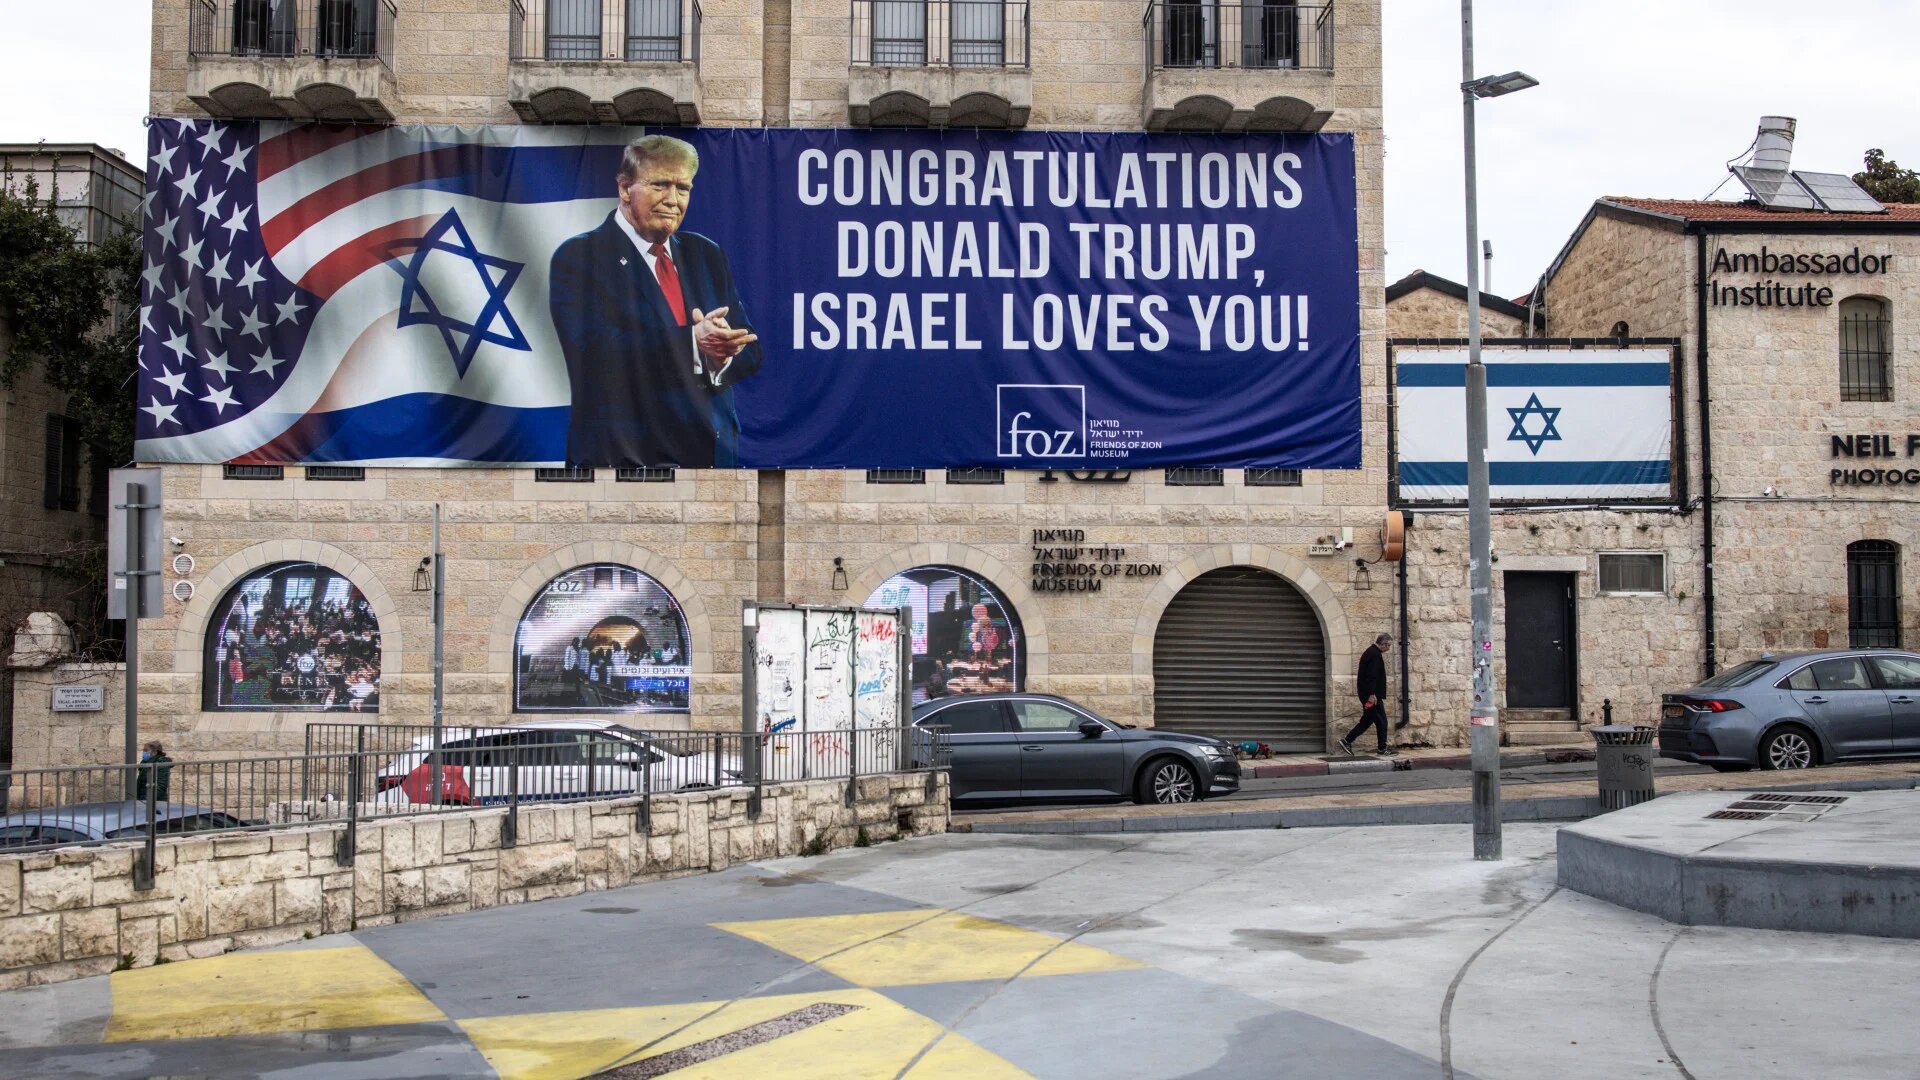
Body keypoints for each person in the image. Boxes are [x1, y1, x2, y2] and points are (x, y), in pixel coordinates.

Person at [549, 134, 763, 467]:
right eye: (660, 185)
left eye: (683, 188)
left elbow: (750, 348)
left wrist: (721, 353)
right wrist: (693, 343)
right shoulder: (580, 256)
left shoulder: (706, 253)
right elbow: (595, 353)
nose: (672, 200)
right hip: (624, 464)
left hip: (709, 460)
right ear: (624, 189)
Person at [1340, 633, 1393, 756]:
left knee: (1367, 720)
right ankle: (1382, 749)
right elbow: (1371, 676)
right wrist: (1372, 694)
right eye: (1389, 645)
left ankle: (1347, 740)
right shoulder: (1375, 655)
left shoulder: (1371, 652)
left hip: (1368, 694)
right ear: (1384, 644)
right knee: (1382, 721)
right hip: (1372, 696)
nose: (1389, 648)